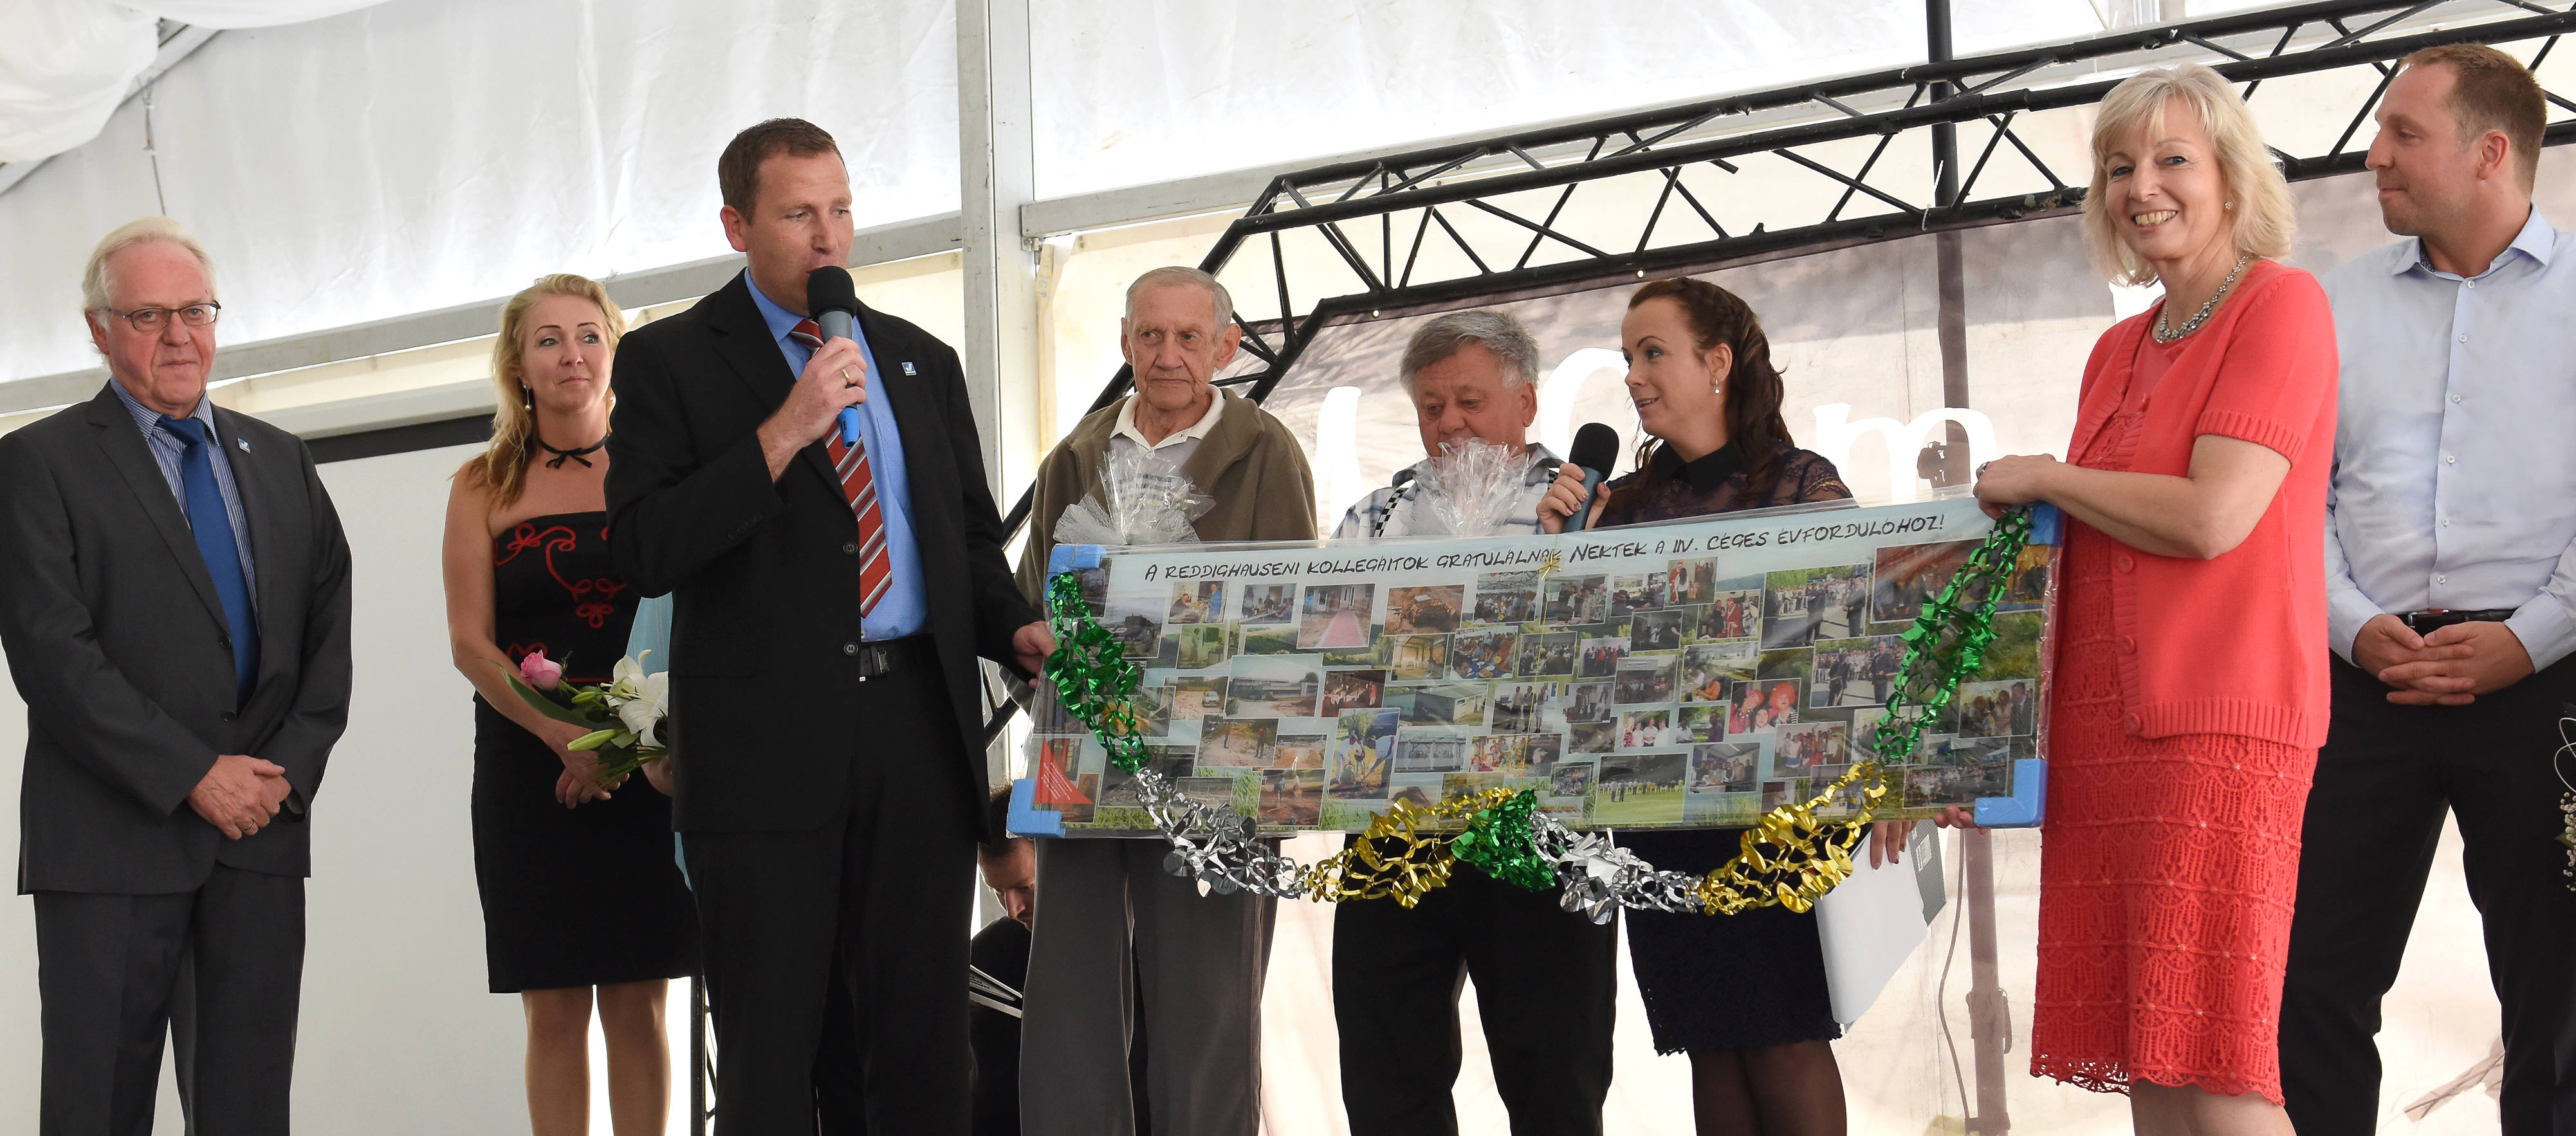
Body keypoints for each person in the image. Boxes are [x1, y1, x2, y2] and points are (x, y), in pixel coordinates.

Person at [603, 118, 1050, 1133]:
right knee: (771, 1049)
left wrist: (1015, 626)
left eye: (841, 208)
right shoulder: (671, 360)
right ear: (736, 224)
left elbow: (967, 544)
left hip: (915, 736)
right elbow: (644, 546)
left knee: (924, 1040)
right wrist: (784, 430)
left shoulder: (917, 361)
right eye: (799, 212)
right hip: (764, 750)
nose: (828, 235)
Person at [1967, 63, 2333, 1135]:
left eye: (2171, 158)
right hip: (2102, 736)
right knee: (2154, 1066)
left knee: (2219, 1065)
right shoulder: (2112, 349)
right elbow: (2086, 531)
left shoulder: (2280, 303)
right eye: (2117, 166)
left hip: (2217, 722)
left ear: (2228, 176)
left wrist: (2044, 476)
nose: (2141, 186)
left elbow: (2211, 517)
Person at [0, 217, 353, 1132]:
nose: (178, 336)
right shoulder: (37, 465)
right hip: (112, 842)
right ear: (98, 327)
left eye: (194, 310)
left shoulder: (279, 459)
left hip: (259, 837)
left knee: (247, 1110)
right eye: (149, 315)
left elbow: (328, 638)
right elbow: (53, 655)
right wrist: (195, 774)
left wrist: (278, 776)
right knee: (98, 1108)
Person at [2283, 44, 2576, 1136]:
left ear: (2489, 152)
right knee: (2303, 977)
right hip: (2360, 680)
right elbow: (2289, 501)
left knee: (2557, 993)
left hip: (2544, 681)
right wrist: (2354, 628)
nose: (2373, 155)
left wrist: (2528, 639)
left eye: (2403, 134)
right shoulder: (2327, 304)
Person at [1537, 277, 1857, 1133]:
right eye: (1628, 356)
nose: (1635, 375)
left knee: (1784, 1036)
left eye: (1653, 352)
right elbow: (1579, 668)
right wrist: (1559, 556)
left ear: (1717, 362)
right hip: (1661, 808)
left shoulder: (1797, 482)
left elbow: (1853, 641)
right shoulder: (1621, 507)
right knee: (1711, 1044)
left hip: (1773, 809)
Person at [1013, 266, 1316, 1136]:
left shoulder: (1265, 449)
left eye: (1190, 337)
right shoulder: (1075, 455)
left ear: (1226, 347)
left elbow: (1293, 611)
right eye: (1151, 335)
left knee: (1208, 1005)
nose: (1169, 355)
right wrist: (1033, 649)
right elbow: (1029, 601)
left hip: (1216, 767)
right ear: (1125, 342)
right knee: (1069, 1000)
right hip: (1082, 754)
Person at [1330, 311, 1615, 1136]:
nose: (1449, 423)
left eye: (1468, 400)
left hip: (1544, 822)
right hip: (1391, 821)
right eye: (1430, 406)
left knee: (1553, 1072)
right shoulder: (1374, 517)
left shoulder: (1587, 505)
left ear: (1525, 401)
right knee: (1386, 1074)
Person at [441, 274, 699, 1135]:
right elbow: (471, 644)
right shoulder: (480, 483)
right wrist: (563, 738)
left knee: (639, 997)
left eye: (589, 334)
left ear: (615, 352)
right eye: (548, 339)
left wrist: (627, 746)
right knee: (552, 1005)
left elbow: (690, 612)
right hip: (528, 764)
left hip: (651, 761)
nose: (571, 354)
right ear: (517, 364)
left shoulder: (660, 474)